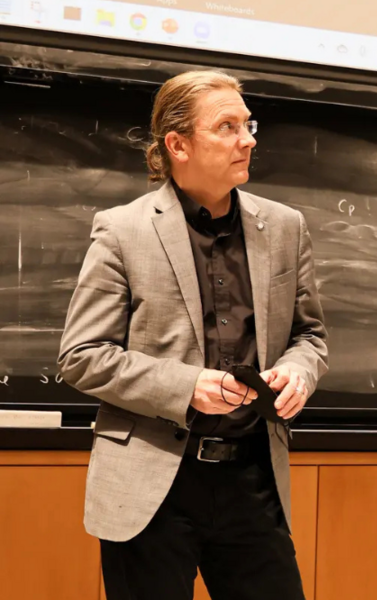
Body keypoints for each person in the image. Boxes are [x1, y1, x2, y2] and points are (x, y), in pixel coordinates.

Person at [58, 70, 327, 600]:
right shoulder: (123, 230)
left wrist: (299, 372)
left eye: (249, 124)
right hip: (153, 484)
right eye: (227, 126)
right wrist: (187, 387)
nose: (248, 139)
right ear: (178, 144)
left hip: (254, 480)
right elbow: (82, 356)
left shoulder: (286, 226)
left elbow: (310, 335)